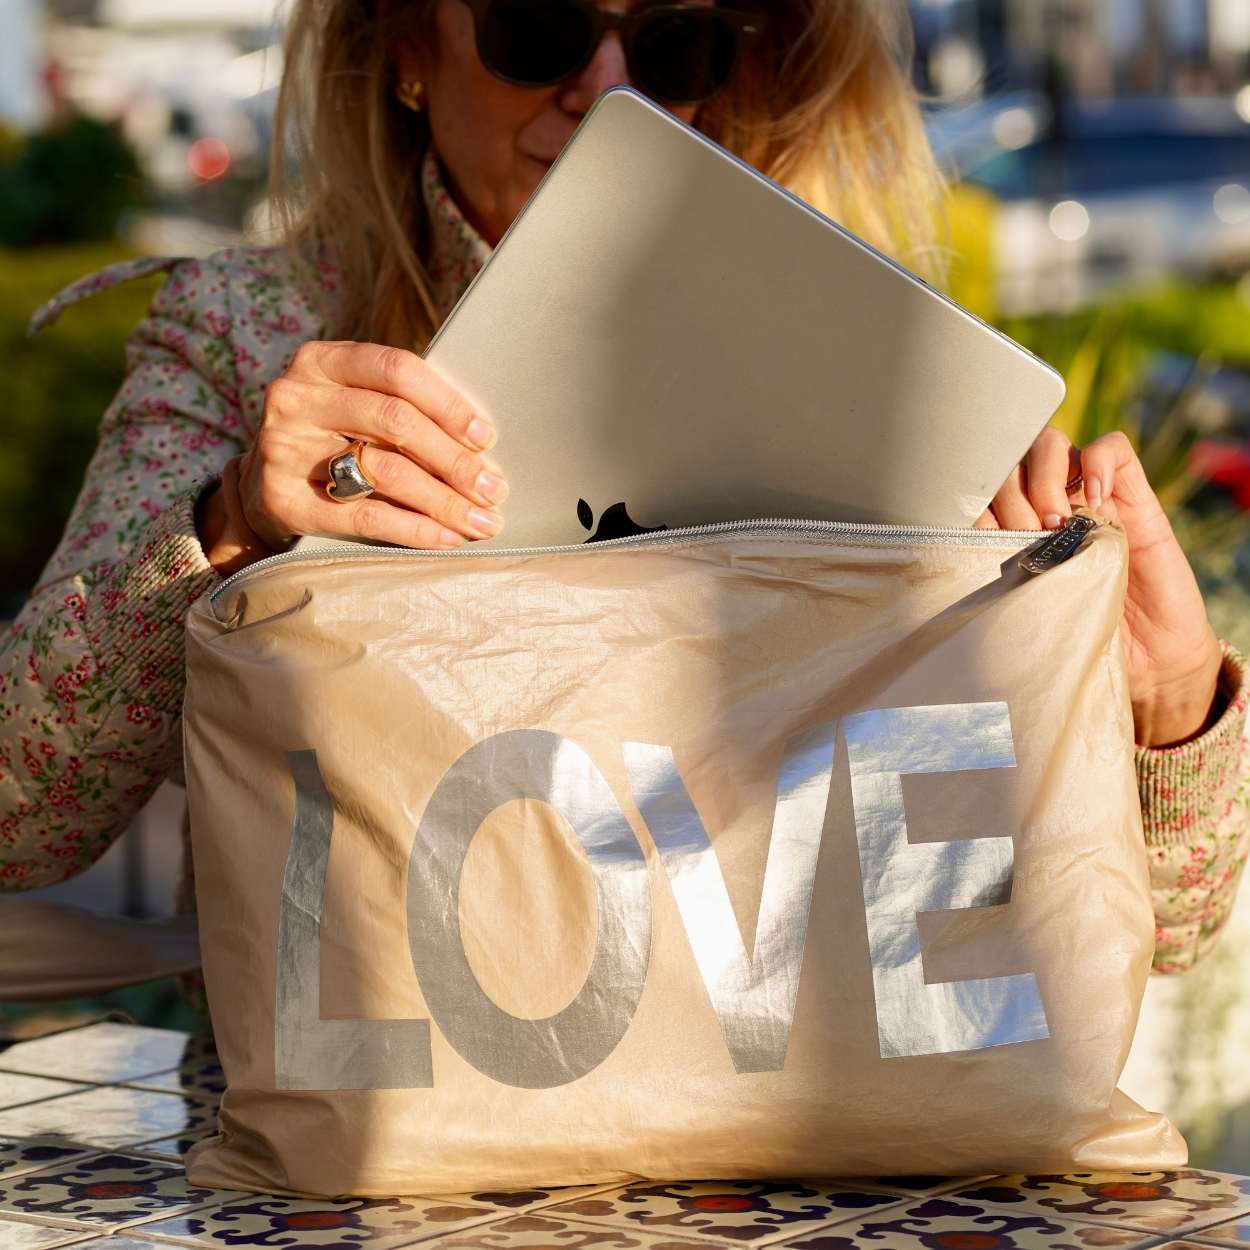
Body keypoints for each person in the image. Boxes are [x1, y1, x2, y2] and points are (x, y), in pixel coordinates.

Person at [2, 0, 1245, 1001]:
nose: (607, 90)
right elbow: (20, 811)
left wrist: (1163, 698)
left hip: (784, 1149)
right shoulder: (248, 335)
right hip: (361, 1147)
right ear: (408, 50)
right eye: (535, 29)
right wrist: (231, 524)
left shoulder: (871, 356)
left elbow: (1161, 934)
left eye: (672, 46)